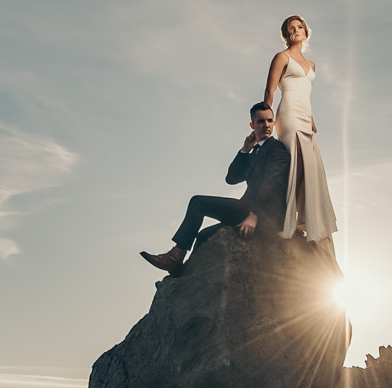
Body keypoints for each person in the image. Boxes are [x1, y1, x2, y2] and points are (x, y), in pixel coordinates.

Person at [140, 103, 290, 273]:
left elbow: (273, 183)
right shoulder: (255, 151)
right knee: (203, 236)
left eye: (270, 120)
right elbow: (231, 178)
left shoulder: (276, 149)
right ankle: (179, 274)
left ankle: (175, 254)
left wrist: (254, 215)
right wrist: (245, 150)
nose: (267, 125)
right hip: (245, 209)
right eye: (261, 121)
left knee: (198, 202)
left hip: (264, 215)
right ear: (252, 125)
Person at [264, 15, 338, 251]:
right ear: (286, 35)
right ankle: (285, 222)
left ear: (306, 31)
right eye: (291, 28)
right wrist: (265, 122)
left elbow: (304, 91)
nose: (296, 30)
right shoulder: (281, 57)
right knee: (294, 164)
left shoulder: (312, 65)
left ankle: (304, 221)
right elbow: (270, 90)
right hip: (288, 116)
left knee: (310, 169)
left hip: (306, 117)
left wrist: (312, 117)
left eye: (299, 27)